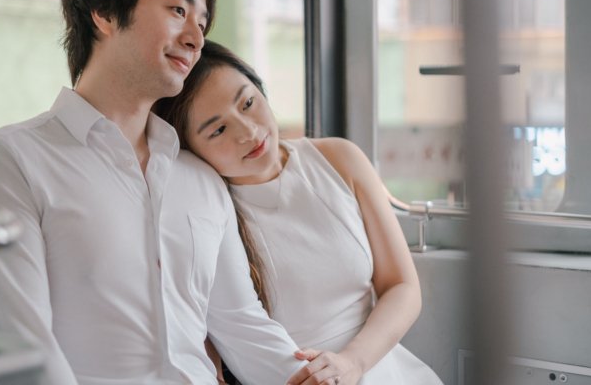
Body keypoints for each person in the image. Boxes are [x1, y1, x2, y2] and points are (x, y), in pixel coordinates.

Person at [0, 0, 306, 385]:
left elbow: (243, 326)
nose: (197, 38)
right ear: (104, 11)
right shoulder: (8, 163)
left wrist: (322, 377)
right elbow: (25, 358)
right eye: (179, 10)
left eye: (202, 21)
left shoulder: (199, 178)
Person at [153, 41, 444, 385]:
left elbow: (402, 286)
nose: (248, 131)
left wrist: (352, 362)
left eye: (247, 103)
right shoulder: (210, 210)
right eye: (218, 130)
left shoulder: (339, 158)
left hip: (382, 366)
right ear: (191, 149)